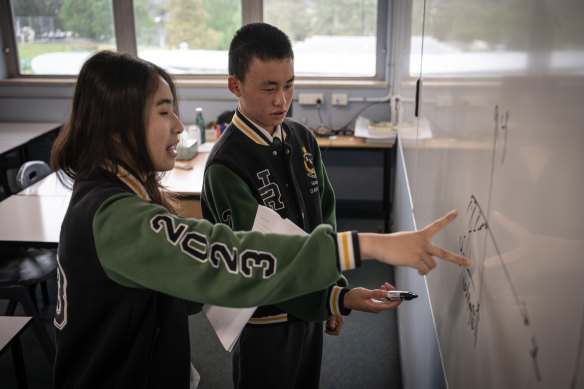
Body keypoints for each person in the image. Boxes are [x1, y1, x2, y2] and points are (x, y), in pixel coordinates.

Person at [50, 50, 469, 389]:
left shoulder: (121, 199)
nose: (179, 126)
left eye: (288, 86)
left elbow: (190, 288)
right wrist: (368, 245)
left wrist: (333, 296)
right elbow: (232, 257)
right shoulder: (115, 218)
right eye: (164, 112)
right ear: (119, 128)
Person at [199, 23, 443, 389]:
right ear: (235, 85)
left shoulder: (301, 138)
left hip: (314, 308)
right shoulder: (226, 165)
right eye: (269, 88)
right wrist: (335, 298)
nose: (282, 100)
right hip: (268, 320)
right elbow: (262, 259)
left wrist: (334, 286)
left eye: (289, 85)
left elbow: (323, 218)